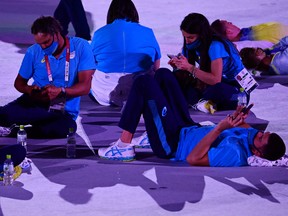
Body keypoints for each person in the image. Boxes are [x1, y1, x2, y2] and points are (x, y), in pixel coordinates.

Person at [97, 69, 286, 167]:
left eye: (262, 138)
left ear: (258, 153)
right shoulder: (252, 137)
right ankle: (153, 132)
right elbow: (243, 127)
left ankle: (124, 145)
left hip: (172, 144)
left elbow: (194, 159)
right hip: (186, 127)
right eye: (264, 133)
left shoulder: (234, 155)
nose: (259, 133)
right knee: (164, 75)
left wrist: (220, 128)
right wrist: (238, 117)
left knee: (143, 83)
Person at [0, 16, 96, 138]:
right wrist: (29, 89)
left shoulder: (80, 47)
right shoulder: (33, 51)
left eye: (46, 42)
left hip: (63, 110)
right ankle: (14, 124)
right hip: (35, 103)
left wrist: (61, 91)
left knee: (64, 128)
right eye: (39, 44)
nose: (43, 47)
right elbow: (19, 82)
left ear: (56, 34)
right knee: (3, 115)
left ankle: (13, 131)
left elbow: (85, 87)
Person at [167, 13, 249, 113]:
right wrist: (178, 67)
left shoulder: (215, 46)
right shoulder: (190, 47)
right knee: (174, 79)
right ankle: (202, 103)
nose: (187, 41)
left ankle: (199, 102)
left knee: (215, 90)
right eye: (185, 37)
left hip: (236, 90)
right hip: (213, 84)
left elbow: (215, 80)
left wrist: (190, 67)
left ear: (201, 35)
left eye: (190, 37)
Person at [89, 0, 161, 107]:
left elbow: (91, 64)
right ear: (134, 12)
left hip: (104, 92)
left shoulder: (99, 33)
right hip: (140, 89)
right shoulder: (148, 32)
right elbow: (156, 66)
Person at [211, 20, 288, 44]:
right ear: (229, 32)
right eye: (228, 23)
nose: (231, 22)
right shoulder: (249, 42)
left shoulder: (247, 32)